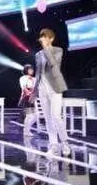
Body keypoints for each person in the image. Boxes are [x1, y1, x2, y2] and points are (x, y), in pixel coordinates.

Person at [30, 28, 70, 157]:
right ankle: (53, 145)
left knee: (56, 116)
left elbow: (54, 65)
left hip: (55, 87)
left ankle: (65, 142)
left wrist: (46, 48)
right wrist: (34, 91)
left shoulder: (58, 50)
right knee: (47, 118)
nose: (42, 38)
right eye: (41, 37)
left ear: (51, 39)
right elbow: (38, 73)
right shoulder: (38, 54)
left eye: (45, 36)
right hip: (42, 89)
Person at [19, 64, 37, 137]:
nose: (32, 70)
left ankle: (26, 130)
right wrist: (30, 93)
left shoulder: (34, 79)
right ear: (26, 70)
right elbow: (24, 88)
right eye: (30, 69)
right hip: (26, 98)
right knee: (29, 115)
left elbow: (36, 88)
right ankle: (26, 131)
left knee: (36, 116)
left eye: (32, 69)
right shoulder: (23, 78)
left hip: (32, 98)